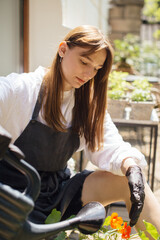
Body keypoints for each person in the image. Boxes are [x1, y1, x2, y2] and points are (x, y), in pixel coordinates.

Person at [0, 25, 160, 239]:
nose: (88, 73)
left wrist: (131, 166)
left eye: (96, 68)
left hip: (59, 193)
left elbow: (111, 145)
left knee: (129, 183)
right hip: (13, 195)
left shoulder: (86, 104)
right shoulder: (22, 88)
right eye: (84, 62)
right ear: (63, 50)